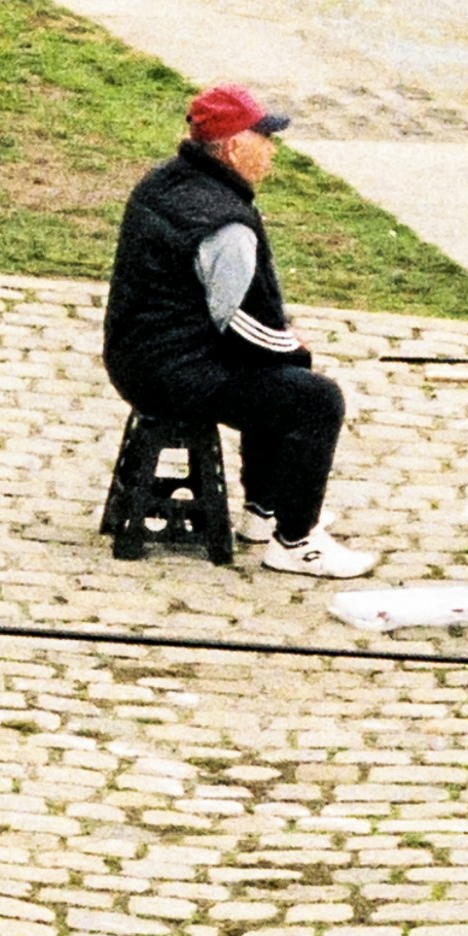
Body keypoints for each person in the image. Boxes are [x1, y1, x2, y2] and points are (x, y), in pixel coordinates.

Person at [103, 83, 373, 580]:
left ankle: (263, 511)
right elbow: (239, 322)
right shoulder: (226, 224)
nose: (271, 150)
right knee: (313, 398)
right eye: (263, 138)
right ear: (232, 147)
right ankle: (295, 540)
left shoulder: (164, 183)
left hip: (132, 355)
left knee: (274, 376)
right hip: (173, 373)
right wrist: (293, 348)